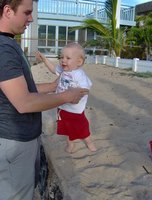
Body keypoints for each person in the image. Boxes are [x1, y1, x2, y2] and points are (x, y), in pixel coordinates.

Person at [0, 1, 88, 200]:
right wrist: (67, 96)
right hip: (14, 142)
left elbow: (17, 89)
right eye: (27, 12)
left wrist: (52, 87)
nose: (31, 18)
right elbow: (24, 102)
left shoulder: (8, 44)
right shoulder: (3, 49)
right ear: (7, 11)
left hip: (18, 140)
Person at [35, 43, 97, 153]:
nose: (63, 60)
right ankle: (71, 145)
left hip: (75, 110)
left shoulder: (79, 74)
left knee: (82, 127)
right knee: (67, 128)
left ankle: (89, 142)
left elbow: (86, 88)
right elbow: (53, 69)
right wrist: (44, 60)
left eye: (68, 58)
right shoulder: (64, 71)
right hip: (63, 107)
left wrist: (77, 95)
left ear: (79, 62)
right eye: (61, 57)